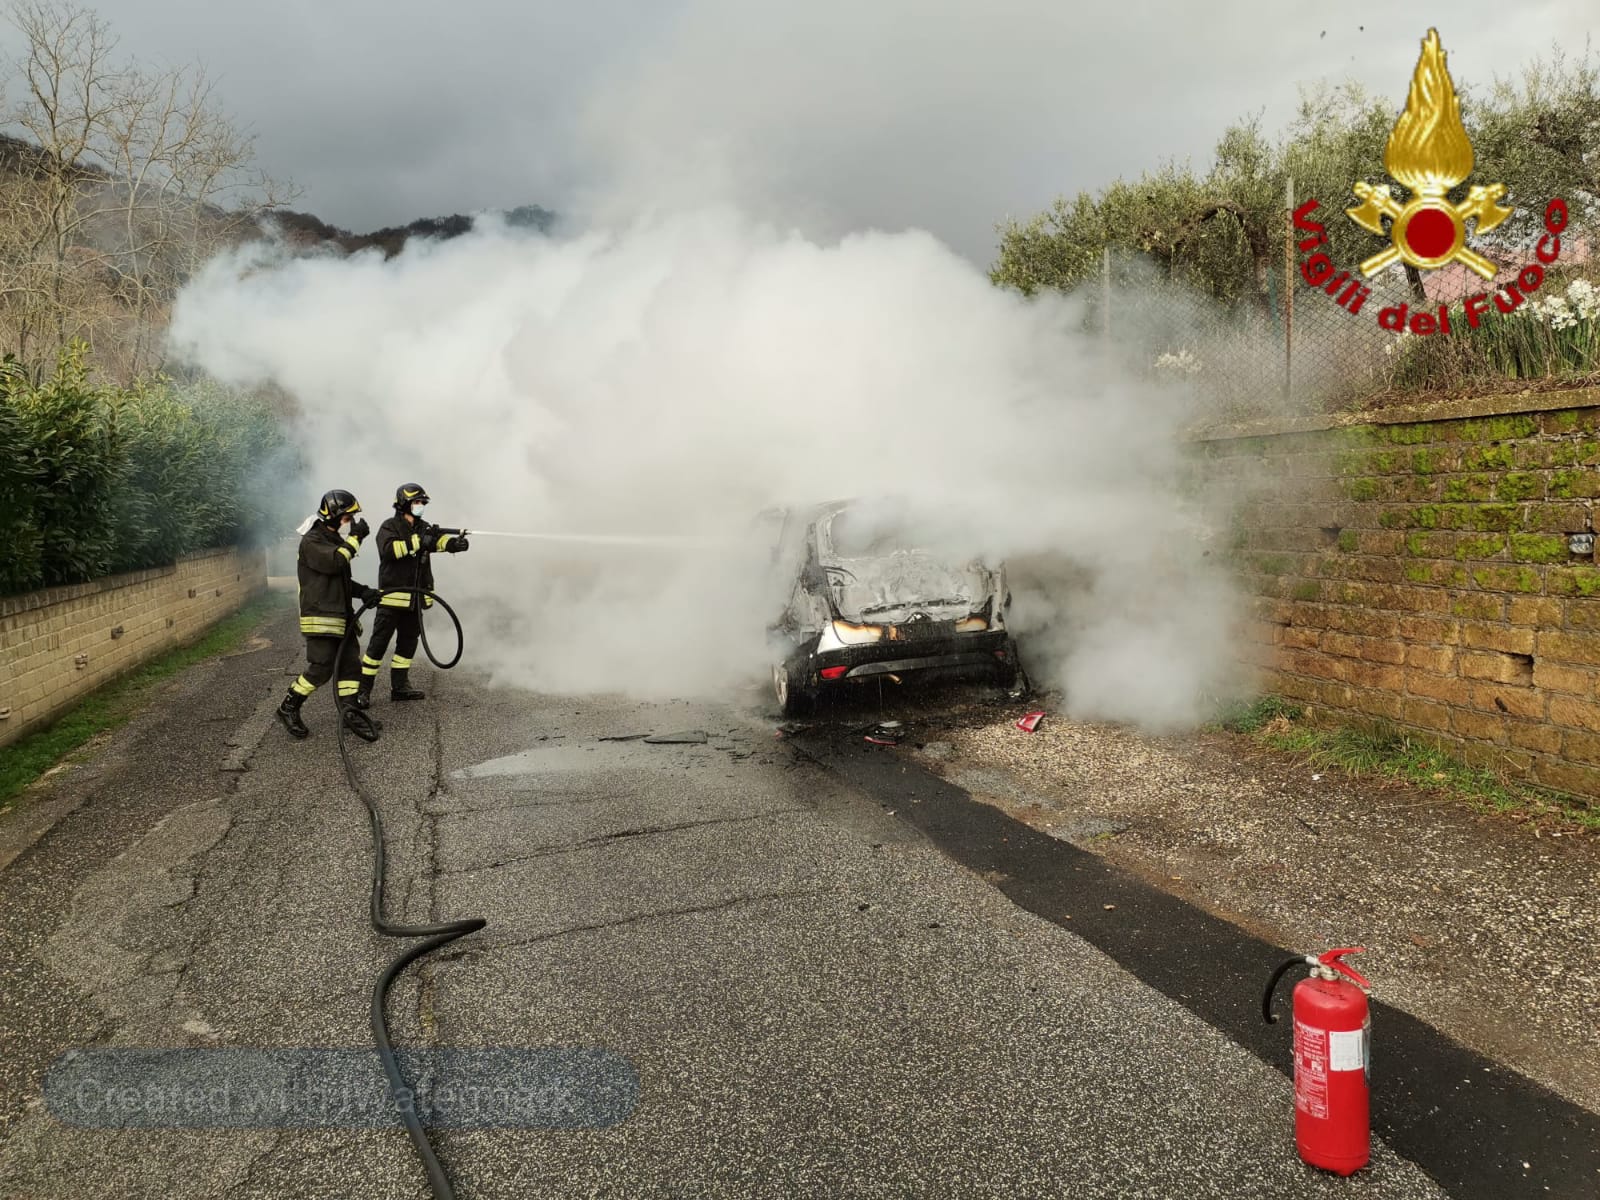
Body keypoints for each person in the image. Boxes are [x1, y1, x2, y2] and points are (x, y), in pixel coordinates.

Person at [276, 489, 385, 742]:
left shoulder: (332, 539)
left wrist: (364, 592)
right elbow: (334, 563)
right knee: (322, 667)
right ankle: (288, 707)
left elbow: (340, 578)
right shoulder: (313, 541)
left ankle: (350, 713)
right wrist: (357, 538)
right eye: (348, 517)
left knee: (350, 666)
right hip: (321, 617)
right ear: (334, 515)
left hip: (340, 616)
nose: (351, 522)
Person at [355, 482, 470, 708]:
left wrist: (454, 544)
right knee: (377, 646)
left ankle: (400, 687)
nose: (420, 506)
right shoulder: (389, 527)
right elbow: (388, 551)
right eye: (416, 502)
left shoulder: (423, 527)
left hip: (415, 601)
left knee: (407, 645)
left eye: (422, 503)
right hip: (392, 599)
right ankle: (363, 690)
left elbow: (436, 541)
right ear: (404, 504)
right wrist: (419, 542)